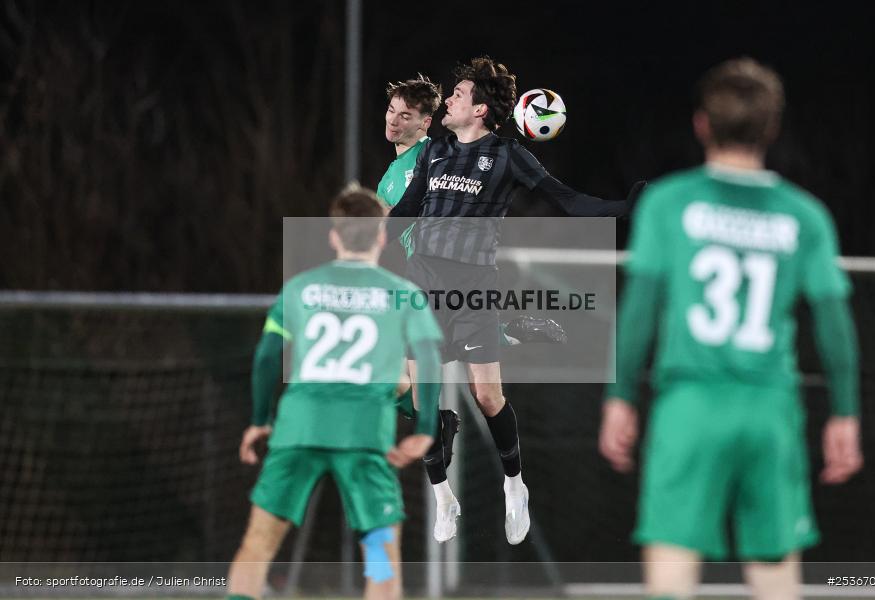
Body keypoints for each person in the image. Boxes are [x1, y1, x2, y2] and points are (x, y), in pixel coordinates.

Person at [599, 57, 863, 600]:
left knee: (672, 570)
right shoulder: (805, 215)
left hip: (690, 405)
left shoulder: (670, 203)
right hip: (770, 408)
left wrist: (620, 395)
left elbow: (640, 309)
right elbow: (834, 321)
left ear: (702, 124)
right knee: (776, 579)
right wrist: (845, 412)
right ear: (772, 127)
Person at [388, 57, 641, 545]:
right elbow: (405, 210)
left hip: (475, 284)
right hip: (423, 283)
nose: (451, 99)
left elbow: (564, 199)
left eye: (459, 94)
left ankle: (514, 484)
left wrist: (621, 208)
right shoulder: (434, 152)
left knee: (487, 396)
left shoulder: (508, 154)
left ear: (480, 109)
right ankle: (443, 498)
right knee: (424, 404)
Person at [225, 186, 444, 600]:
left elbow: (267, 357)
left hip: (297, 432)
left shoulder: (301, 289)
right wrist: (424, 427)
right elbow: (428, 363)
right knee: (379, 553)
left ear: (334, 235)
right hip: (362, 437)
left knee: (258, 546)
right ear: (381, 236)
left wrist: (259, 420)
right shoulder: (402, 294)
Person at [377, 73, 569, 488]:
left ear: (425, 122)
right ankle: (506, 338)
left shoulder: (440, 148)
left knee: (458, 379)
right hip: (422, 278)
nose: (393, 121)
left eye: (405, 115)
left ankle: (497, 345)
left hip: (455, 276)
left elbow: (485, 148)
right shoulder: (389, 177)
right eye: (391, 111)